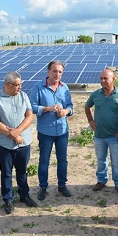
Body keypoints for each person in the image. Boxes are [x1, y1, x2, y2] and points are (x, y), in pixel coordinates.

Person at [0, 72, 37, 214]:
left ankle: (24, 195)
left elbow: (29, 116)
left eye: (20, 85)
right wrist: (13, 135)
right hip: (5, 144)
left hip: (24, 142)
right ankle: (8, 199)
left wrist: (18, 131)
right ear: (8, 85)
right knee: (6, 173)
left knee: (22, 171)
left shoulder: (23, 96)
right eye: (17, 85)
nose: (20, 88)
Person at [30, 61, 73, 201]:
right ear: (48, 72)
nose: (57, 74)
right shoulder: (38, 87)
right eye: (55, 71)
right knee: (44, 161)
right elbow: (32, 107)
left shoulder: (64, 88)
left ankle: (62, 185)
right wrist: (47, 108)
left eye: (60, 72)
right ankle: (43, 187)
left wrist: (66, 111)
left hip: (62, 130)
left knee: (63, 160)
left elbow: (70, 105)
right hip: (45, 132)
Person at [85, 68, 118, 196]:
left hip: (116, 136)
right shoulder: (95, 94)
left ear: (113, 79)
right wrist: (90, 121)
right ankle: (101, 180)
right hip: (99, 136)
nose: (103, 81)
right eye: (101, 78)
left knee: (117, 161)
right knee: (101, 160)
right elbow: (87, 107)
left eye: (106, 78)